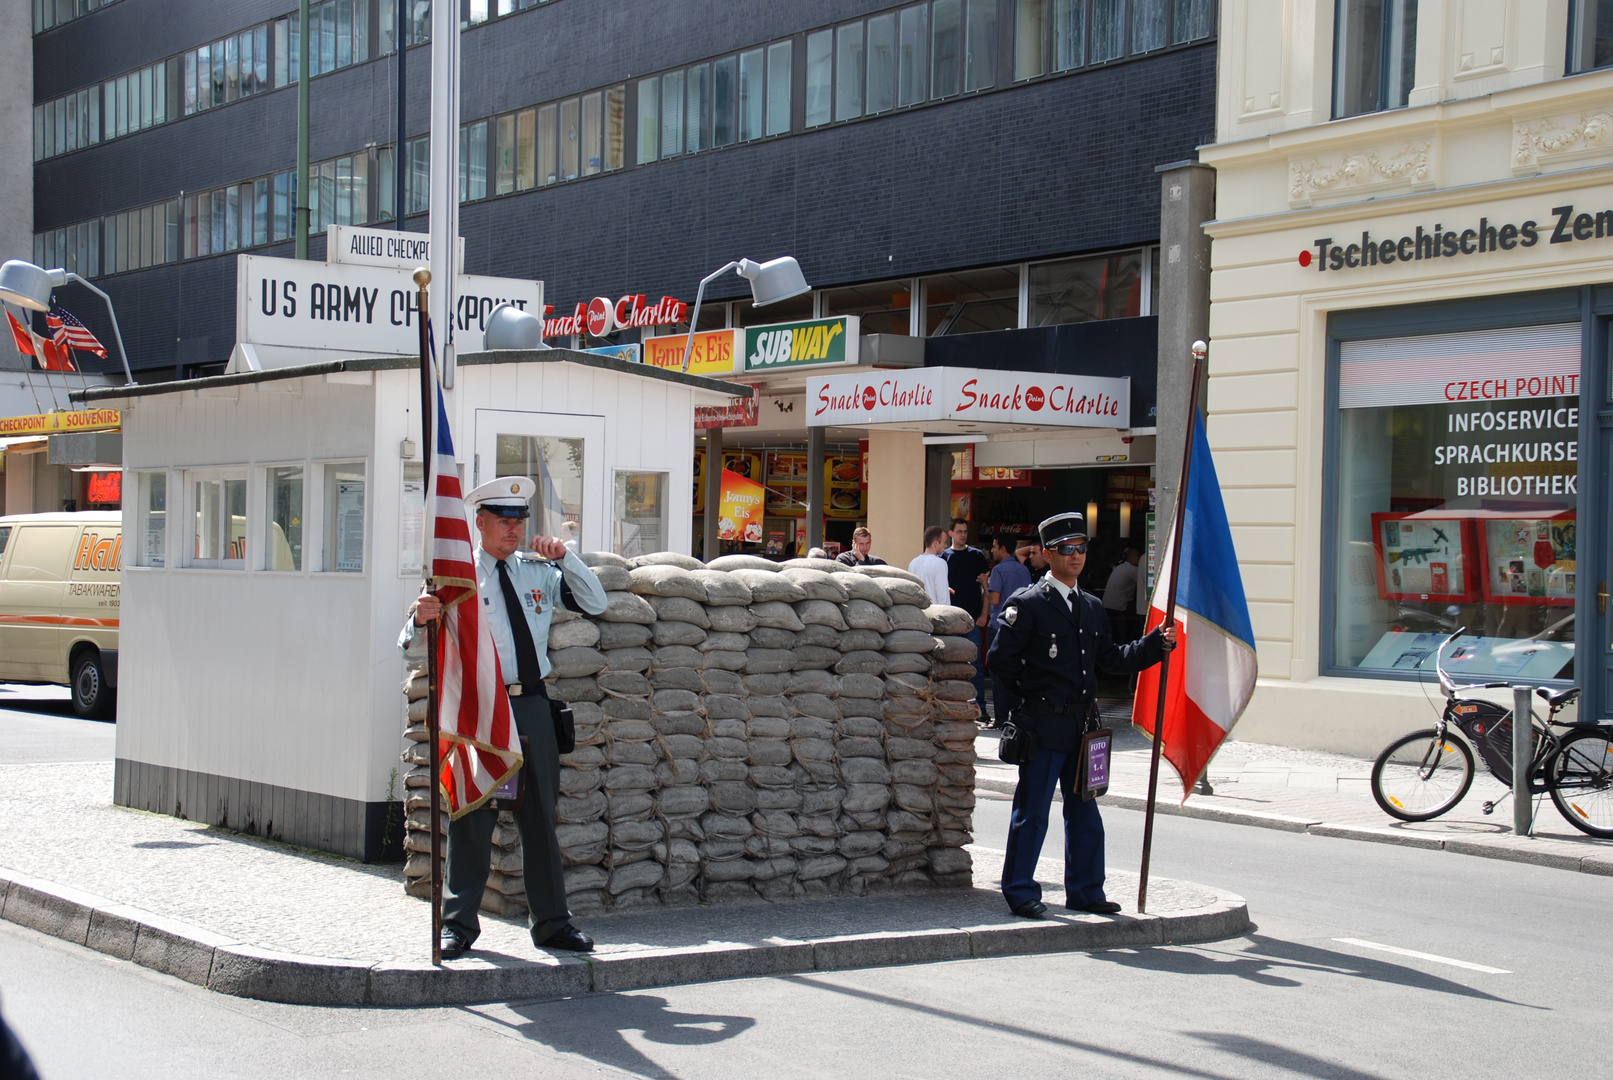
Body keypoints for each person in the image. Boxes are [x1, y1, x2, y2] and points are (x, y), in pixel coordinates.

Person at [402, 476, 609, 959]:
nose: (513, 530)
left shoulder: (537, 573)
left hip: (531, 705)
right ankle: (457, 924)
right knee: (472, 815)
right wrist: (421, 618)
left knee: (540, 817)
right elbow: (410, 651)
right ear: (479, 523)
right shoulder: (455, 578)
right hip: (479, 706)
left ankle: (553, 924)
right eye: (503, 521)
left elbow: (596, 603)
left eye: (519, 522)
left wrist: (565, 559)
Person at [988, 512, 1175, 919]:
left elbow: (1110, 658)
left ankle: (1087, 891)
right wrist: (1027, 704)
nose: (1077, 556)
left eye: (1082, 548)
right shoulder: (1028, 603)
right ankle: (1020, 891)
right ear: (1047, 554)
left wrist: (1152, 646)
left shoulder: (1089, 606)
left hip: (1082, 726)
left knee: (1086, 813)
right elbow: (1000, 663)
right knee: (1032, 812)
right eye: (1068, 549)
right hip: (1042, 723)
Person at [941, 518, 992, 721]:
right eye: (959, 531)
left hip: (973, 618)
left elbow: (986, 587)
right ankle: (952, 705)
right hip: (951, 619)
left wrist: (984, 614)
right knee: (950, 663)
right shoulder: (944, 557)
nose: (963, 535)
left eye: (965, 531)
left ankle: (980, 707)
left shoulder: (977, 556)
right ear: (951, 533)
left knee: (976, 664)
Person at [985, 533, 1033, 723]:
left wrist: (984, 584)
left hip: (999, 624)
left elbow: (995, 600)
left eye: (994, 546)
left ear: (1002, 548)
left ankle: (1001, 718)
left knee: (998, 674)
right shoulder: (1023, 570)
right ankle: (1017, 714)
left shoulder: (998, 570)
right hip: (1020, 626)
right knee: (1017, 673)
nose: (992, 550)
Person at [1102, 546, 1143, 643]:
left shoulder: (1119, 567)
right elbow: (1144, 583)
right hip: (1120, 607)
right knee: (1142, 613)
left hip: (1107, 606)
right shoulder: (1132, 570)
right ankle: (1134, 639)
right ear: (1131, 558)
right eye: (1138, 556)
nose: (1140, 558)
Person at [907, 525, 951, 607]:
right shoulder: (940, 563)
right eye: (944, 542)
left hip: (917, 612)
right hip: (934, 614)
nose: (946, 546)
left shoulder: (913, 563)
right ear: (936, 543)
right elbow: (943, 598)